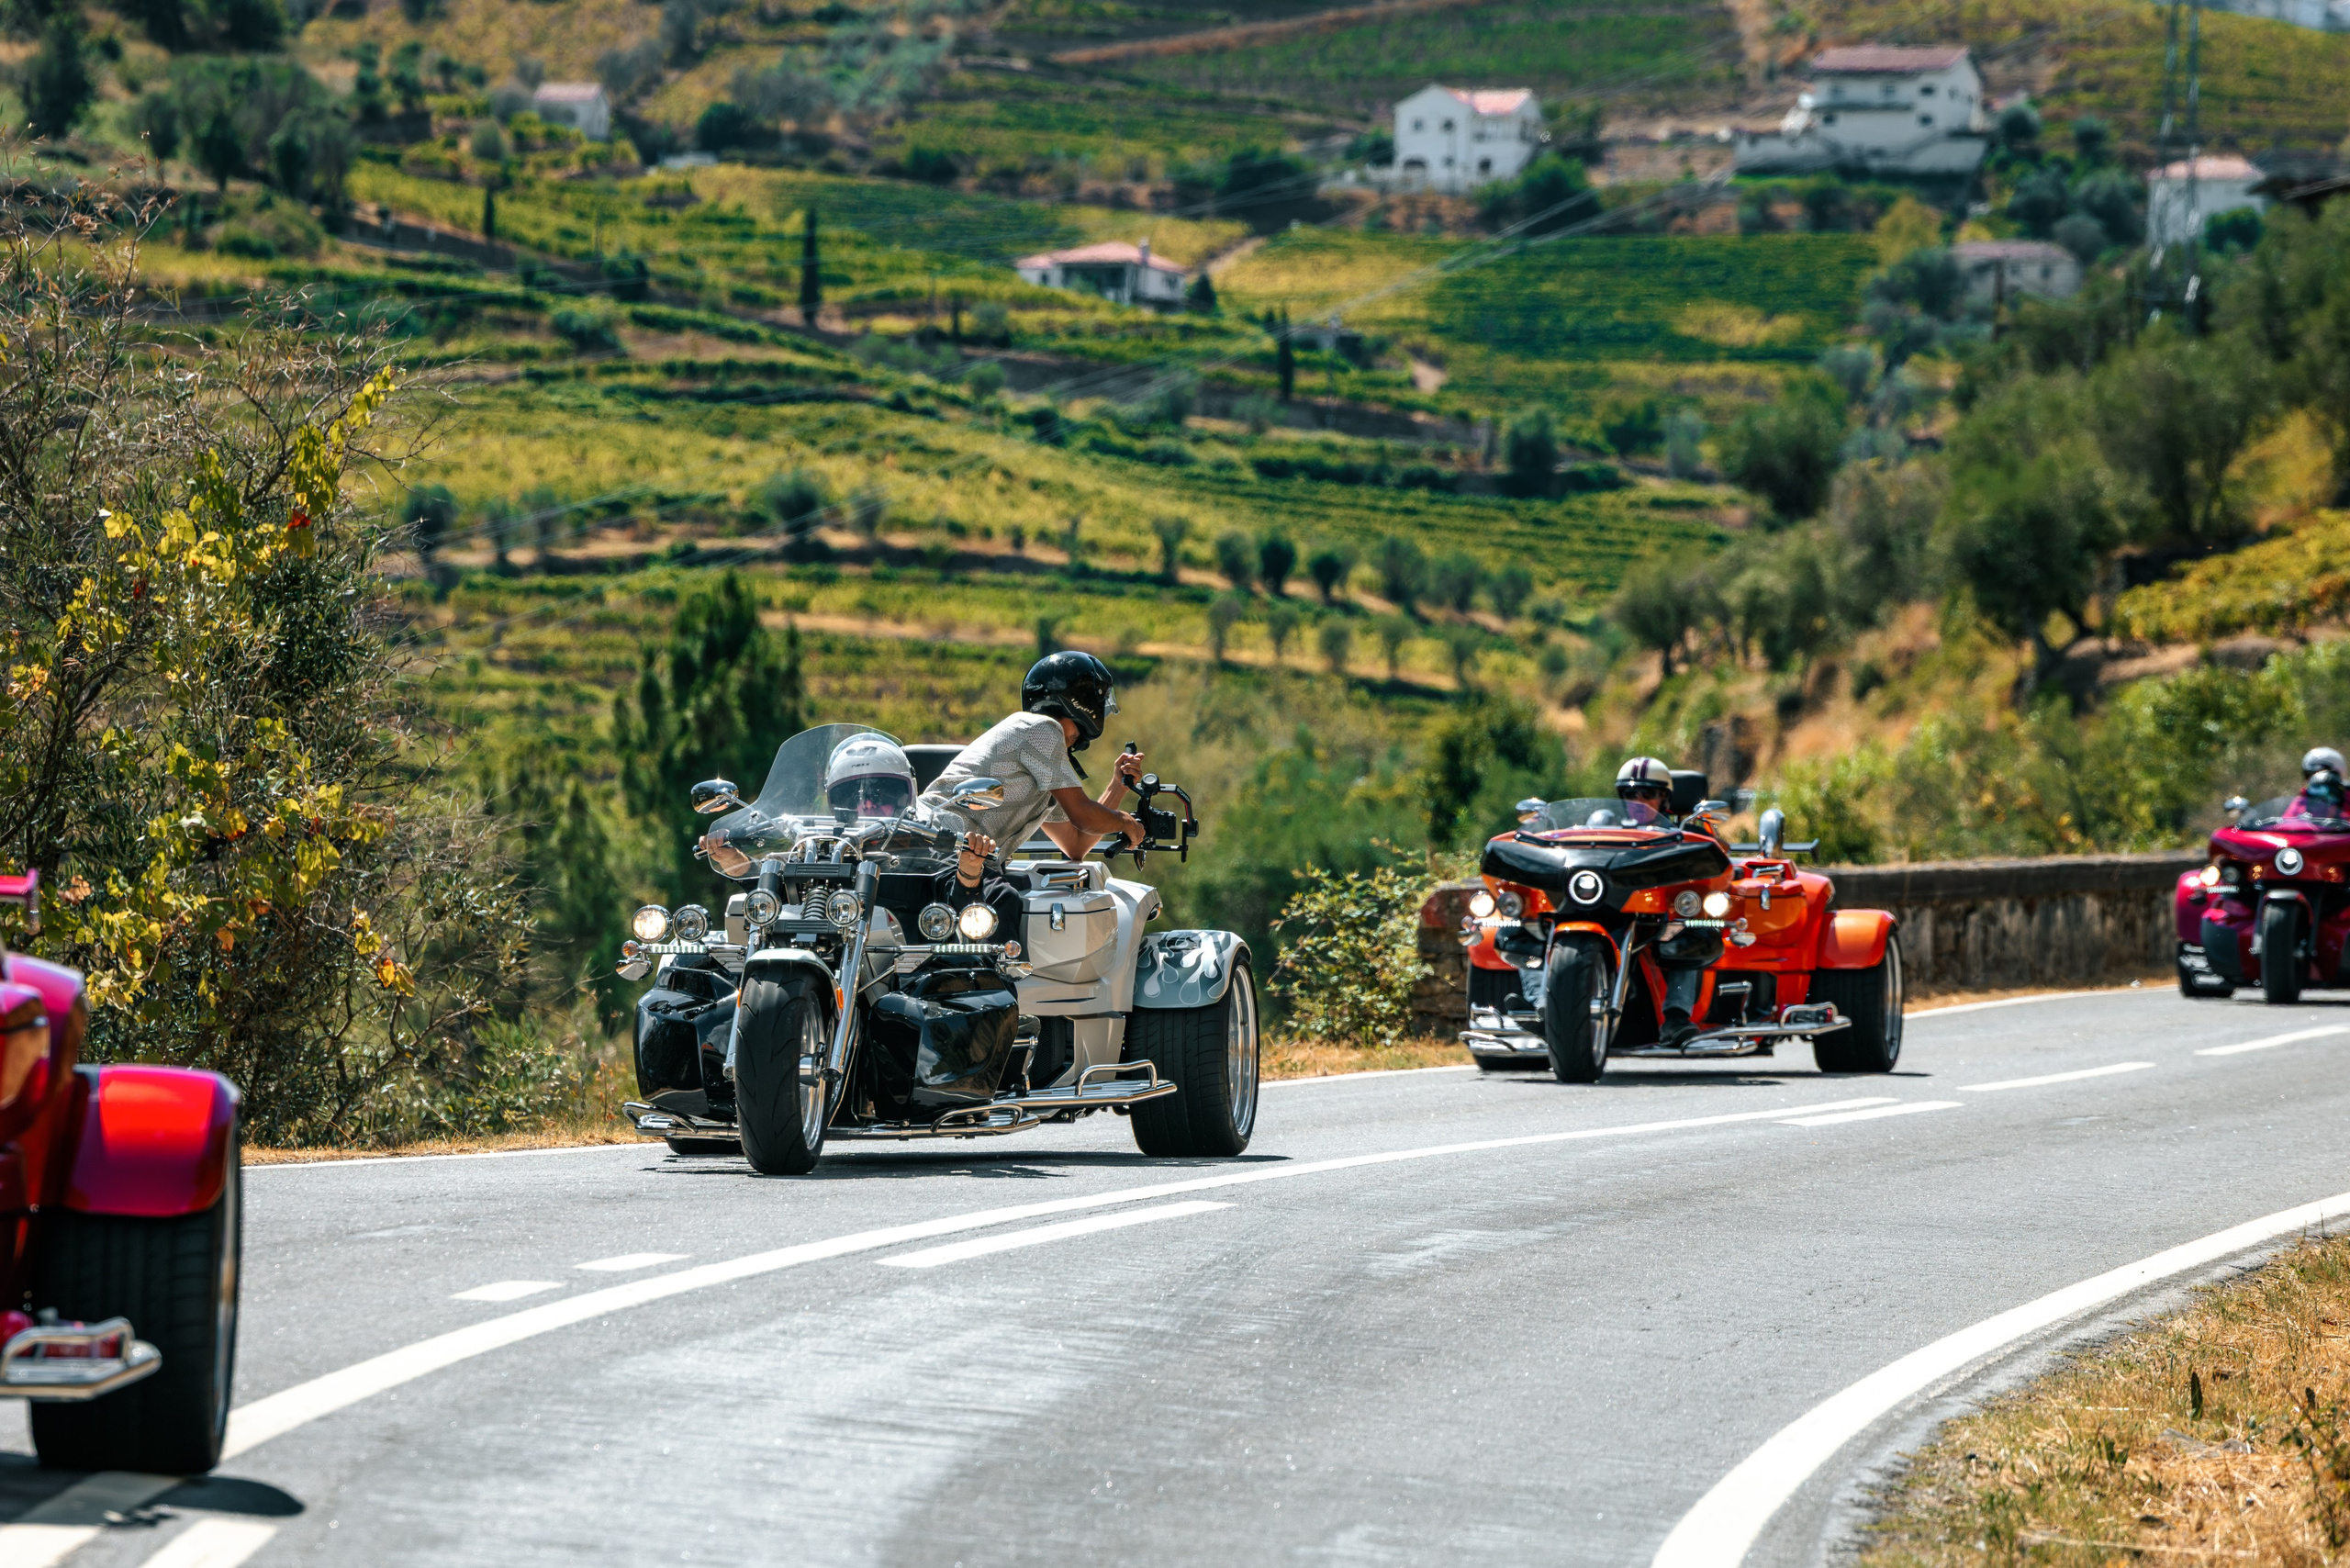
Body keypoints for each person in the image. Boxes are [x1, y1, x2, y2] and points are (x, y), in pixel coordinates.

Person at [921, 652, 1148, 866]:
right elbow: (1083, 816)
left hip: (946, 858)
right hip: (928, 846)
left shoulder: (1045, 763)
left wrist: (1117, 787)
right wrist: (1126, 822)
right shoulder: (1042, 729)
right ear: (1083, 703)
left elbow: (1076, 844)